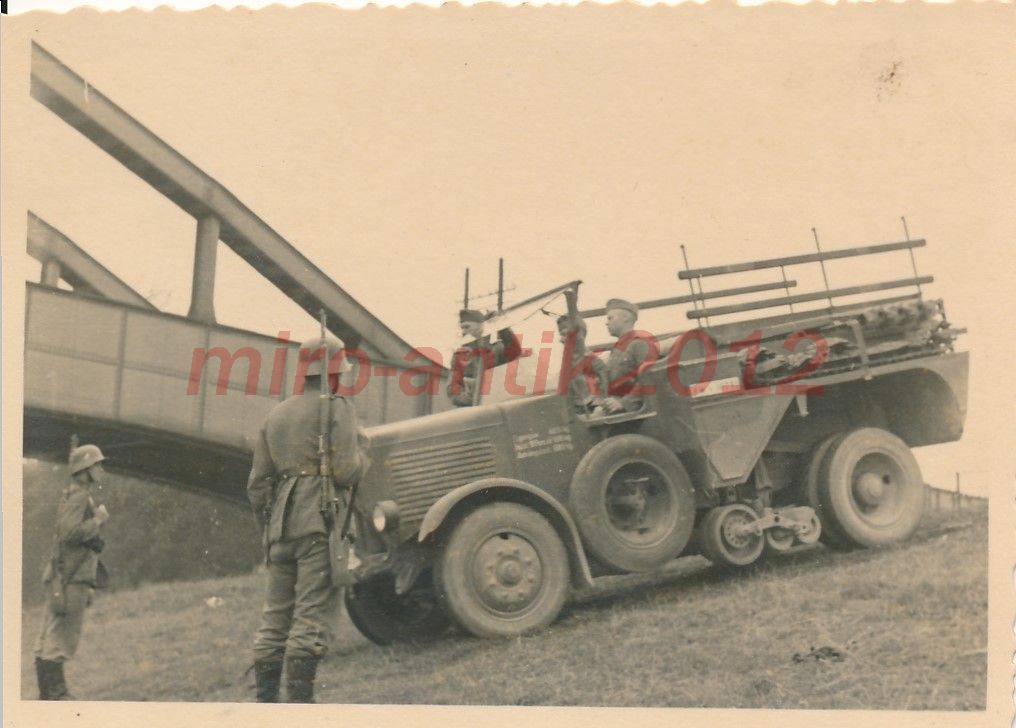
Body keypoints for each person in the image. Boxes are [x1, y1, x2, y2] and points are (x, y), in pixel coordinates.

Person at [246, 334, 370, 703]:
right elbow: (347, 471)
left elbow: (256, 485)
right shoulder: (338, 409)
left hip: (279, 530)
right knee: (310, 616)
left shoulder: (276, 414)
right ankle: (301, 709)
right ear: (334, 372)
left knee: (274, 620)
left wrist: (268, 530)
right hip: (319, 522)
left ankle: (266, 705)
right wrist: (364, 451)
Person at [34, 443, 111, 700]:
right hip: (73, 575)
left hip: (65, 573)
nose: (100, 469)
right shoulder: (79, 496)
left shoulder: (73, 494)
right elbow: (69, 534)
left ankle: (48, 693)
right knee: (64, 634)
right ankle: (56, 693)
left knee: (50, 633)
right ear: (85, 469)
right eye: (96, 465)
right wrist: (97, 520)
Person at [446, 308, 522, 406]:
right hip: (472, 408)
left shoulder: (497, 349)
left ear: (481, 326)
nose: (463, 331)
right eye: (462, 328)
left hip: (498, 403)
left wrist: (501, 326)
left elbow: (514, 351)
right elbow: (452, 387)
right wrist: (470, 400)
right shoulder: (460, 356)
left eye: (467, 327)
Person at [599, 298, 657, 414]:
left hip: (635, 412)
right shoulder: (616, 350)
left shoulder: (640, 344)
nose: (607, 322)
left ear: (625, 318)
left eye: (610, 318)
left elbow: (649, 379)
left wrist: (623, 403)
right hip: (618, 410)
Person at [556, 314, 609, 413]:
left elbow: (605, 392)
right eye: (560, 332)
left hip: (592, 410)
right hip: (574, 409)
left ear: (580, 335)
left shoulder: (594, 362)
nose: (561, 338)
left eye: (565, 331)